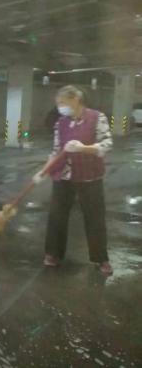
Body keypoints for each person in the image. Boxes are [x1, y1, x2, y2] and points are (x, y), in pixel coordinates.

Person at [33, 85, 113, 275]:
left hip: (90, 176)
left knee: (94, 218)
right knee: (57, 216)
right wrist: (43, 171)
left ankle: (101, 259)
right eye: (58, 104)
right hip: (64, 175)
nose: (60, 107)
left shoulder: (97, 117)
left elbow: (106, 144)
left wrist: (83, 148)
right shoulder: (61, 123)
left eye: (62, 103)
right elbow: (56, 152)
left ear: (76, 100)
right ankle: (53, 254)